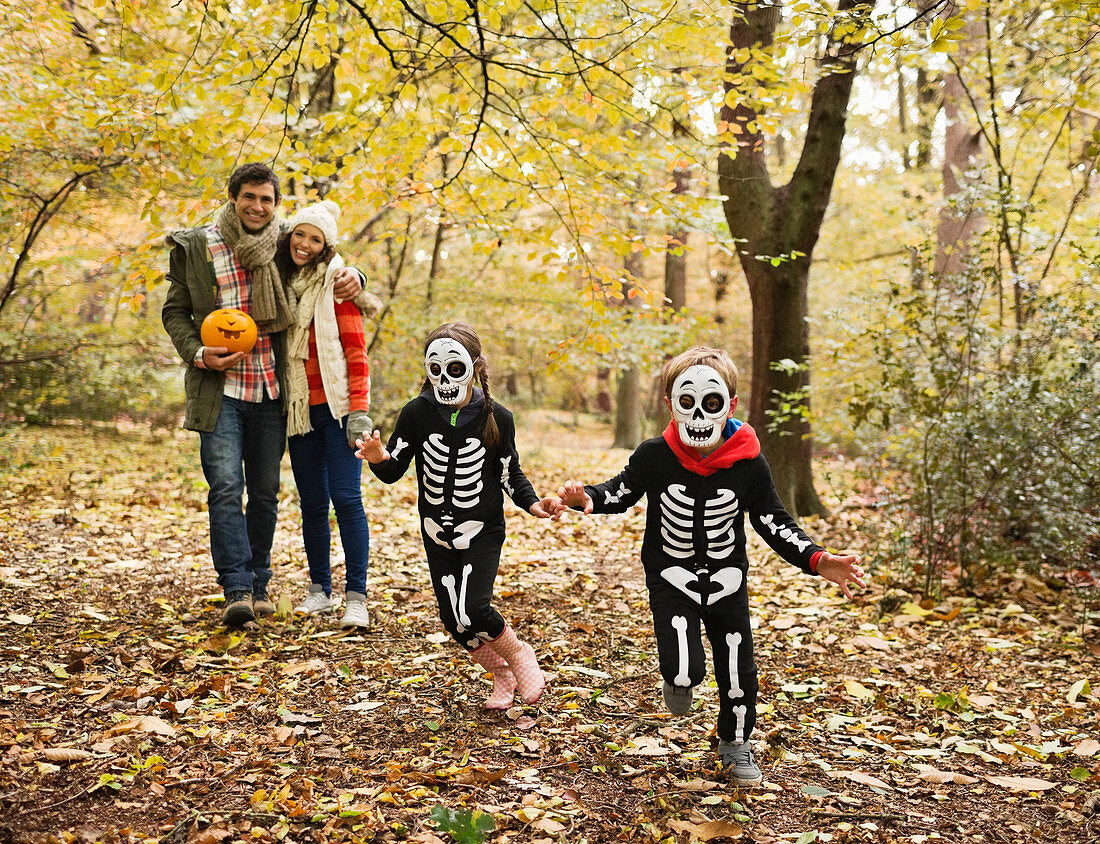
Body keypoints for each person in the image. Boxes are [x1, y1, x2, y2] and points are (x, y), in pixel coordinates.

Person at [556, 346, 865, 783]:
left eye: (712, 403)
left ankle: (735, 743)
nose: (700, 413)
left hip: (727, 579)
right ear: (671, 404)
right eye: (687, 401)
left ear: (730, 405)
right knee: (685, 671)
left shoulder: (749, 461)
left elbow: (773, 520)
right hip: (671, 575)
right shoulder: (653, 455)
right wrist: (585, 497)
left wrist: (817, 560)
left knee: (738, 668)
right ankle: (678, 677)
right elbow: (621, 491)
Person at [162, 162, 375, 628]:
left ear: (275, 205)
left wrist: (357, 275)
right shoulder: (197, 245)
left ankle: (259, 585)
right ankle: (237, 589)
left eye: (266, 199)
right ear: (233, 197)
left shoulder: (283, 242)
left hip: (274, 390)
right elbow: (175, 311)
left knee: (264, 494)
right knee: (225, 489)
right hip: (220, 390)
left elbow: (323, 261)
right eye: (249, 197)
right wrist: (198, 352)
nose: (257, 207)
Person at [356, 322, 564, 709]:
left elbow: (508, 471)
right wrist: (378, 457)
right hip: (436, 532)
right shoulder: (416, 413)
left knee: (474, 609)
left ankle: (519, 655)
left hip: (482, 529)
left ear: (474, 366)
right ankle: (501, 674)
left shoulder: (497, 416)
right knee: (453, 619)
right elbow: (393, 469)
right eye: (435, 370)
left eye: (454, 369)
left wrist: (533, 503)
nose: (444, 378)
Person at [279, 200, 374, 629]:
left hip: (337, 413)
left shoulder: (337, 287)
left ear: (325, 246)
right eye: (300, 234)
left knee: (347, 500)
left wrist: (359, 411)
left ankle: (357, 596)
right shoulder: (281, 283)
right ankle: (320, 590)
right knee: (313, 504)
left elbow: (357, 353)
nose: (305, 243)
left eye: (315, 239)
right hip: (300, 414)